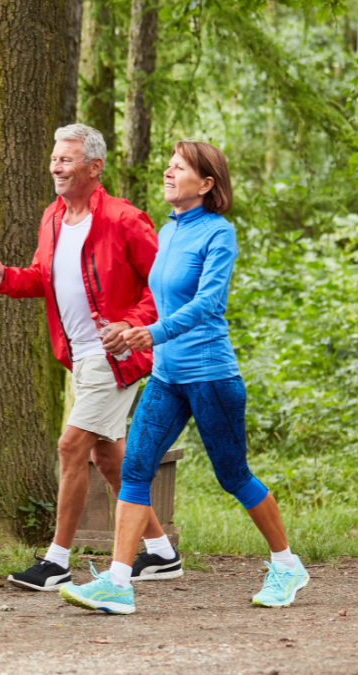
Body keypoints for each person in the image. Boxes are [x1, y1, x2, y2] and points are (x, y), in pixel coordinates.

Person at [60, 141, 308, 615]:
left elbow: (209, 304)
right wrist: (130, 329)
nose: (169, 174)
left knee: (232, 475)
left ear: (207, 184)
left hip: (211, 375)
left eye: (180, 168)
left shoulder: (219, 234)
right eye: (169, 167)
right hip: (167, 376)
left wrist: (150, 333)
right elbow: (160, 300)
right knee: (135, 470)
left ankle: (287, 563)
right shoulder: (169, 231)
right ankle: (117, 583)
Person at [0, 124, 179, 592]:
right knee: (109, 459)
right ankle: (163, 554)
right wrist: (6, 277)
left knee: (71, 447)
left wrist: (132, 327)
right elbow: (42, 278)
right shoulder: (52, 217)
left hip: (117, 357)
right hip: (79, 358)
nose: (56, 166)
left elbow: (165, 285)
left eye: (67, 160)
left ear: (94, 167)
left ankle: (57, 560)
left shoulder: (125, 219)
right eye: (54, 158)